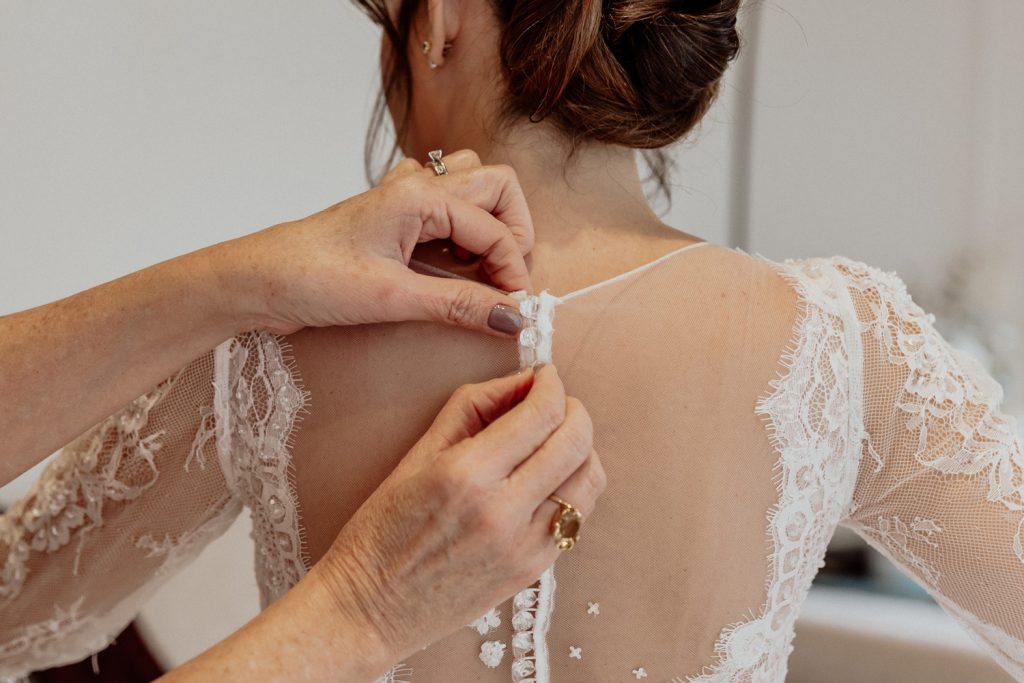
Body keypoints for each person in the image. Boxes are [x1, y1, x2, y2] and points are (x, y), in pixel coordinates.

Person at [0, 156, 605, 679]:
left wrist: (246, 285)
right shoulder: (258, 350)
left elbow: (25, 606)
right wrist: (362, 608)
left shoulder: (270, 352)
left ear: (434, 48)